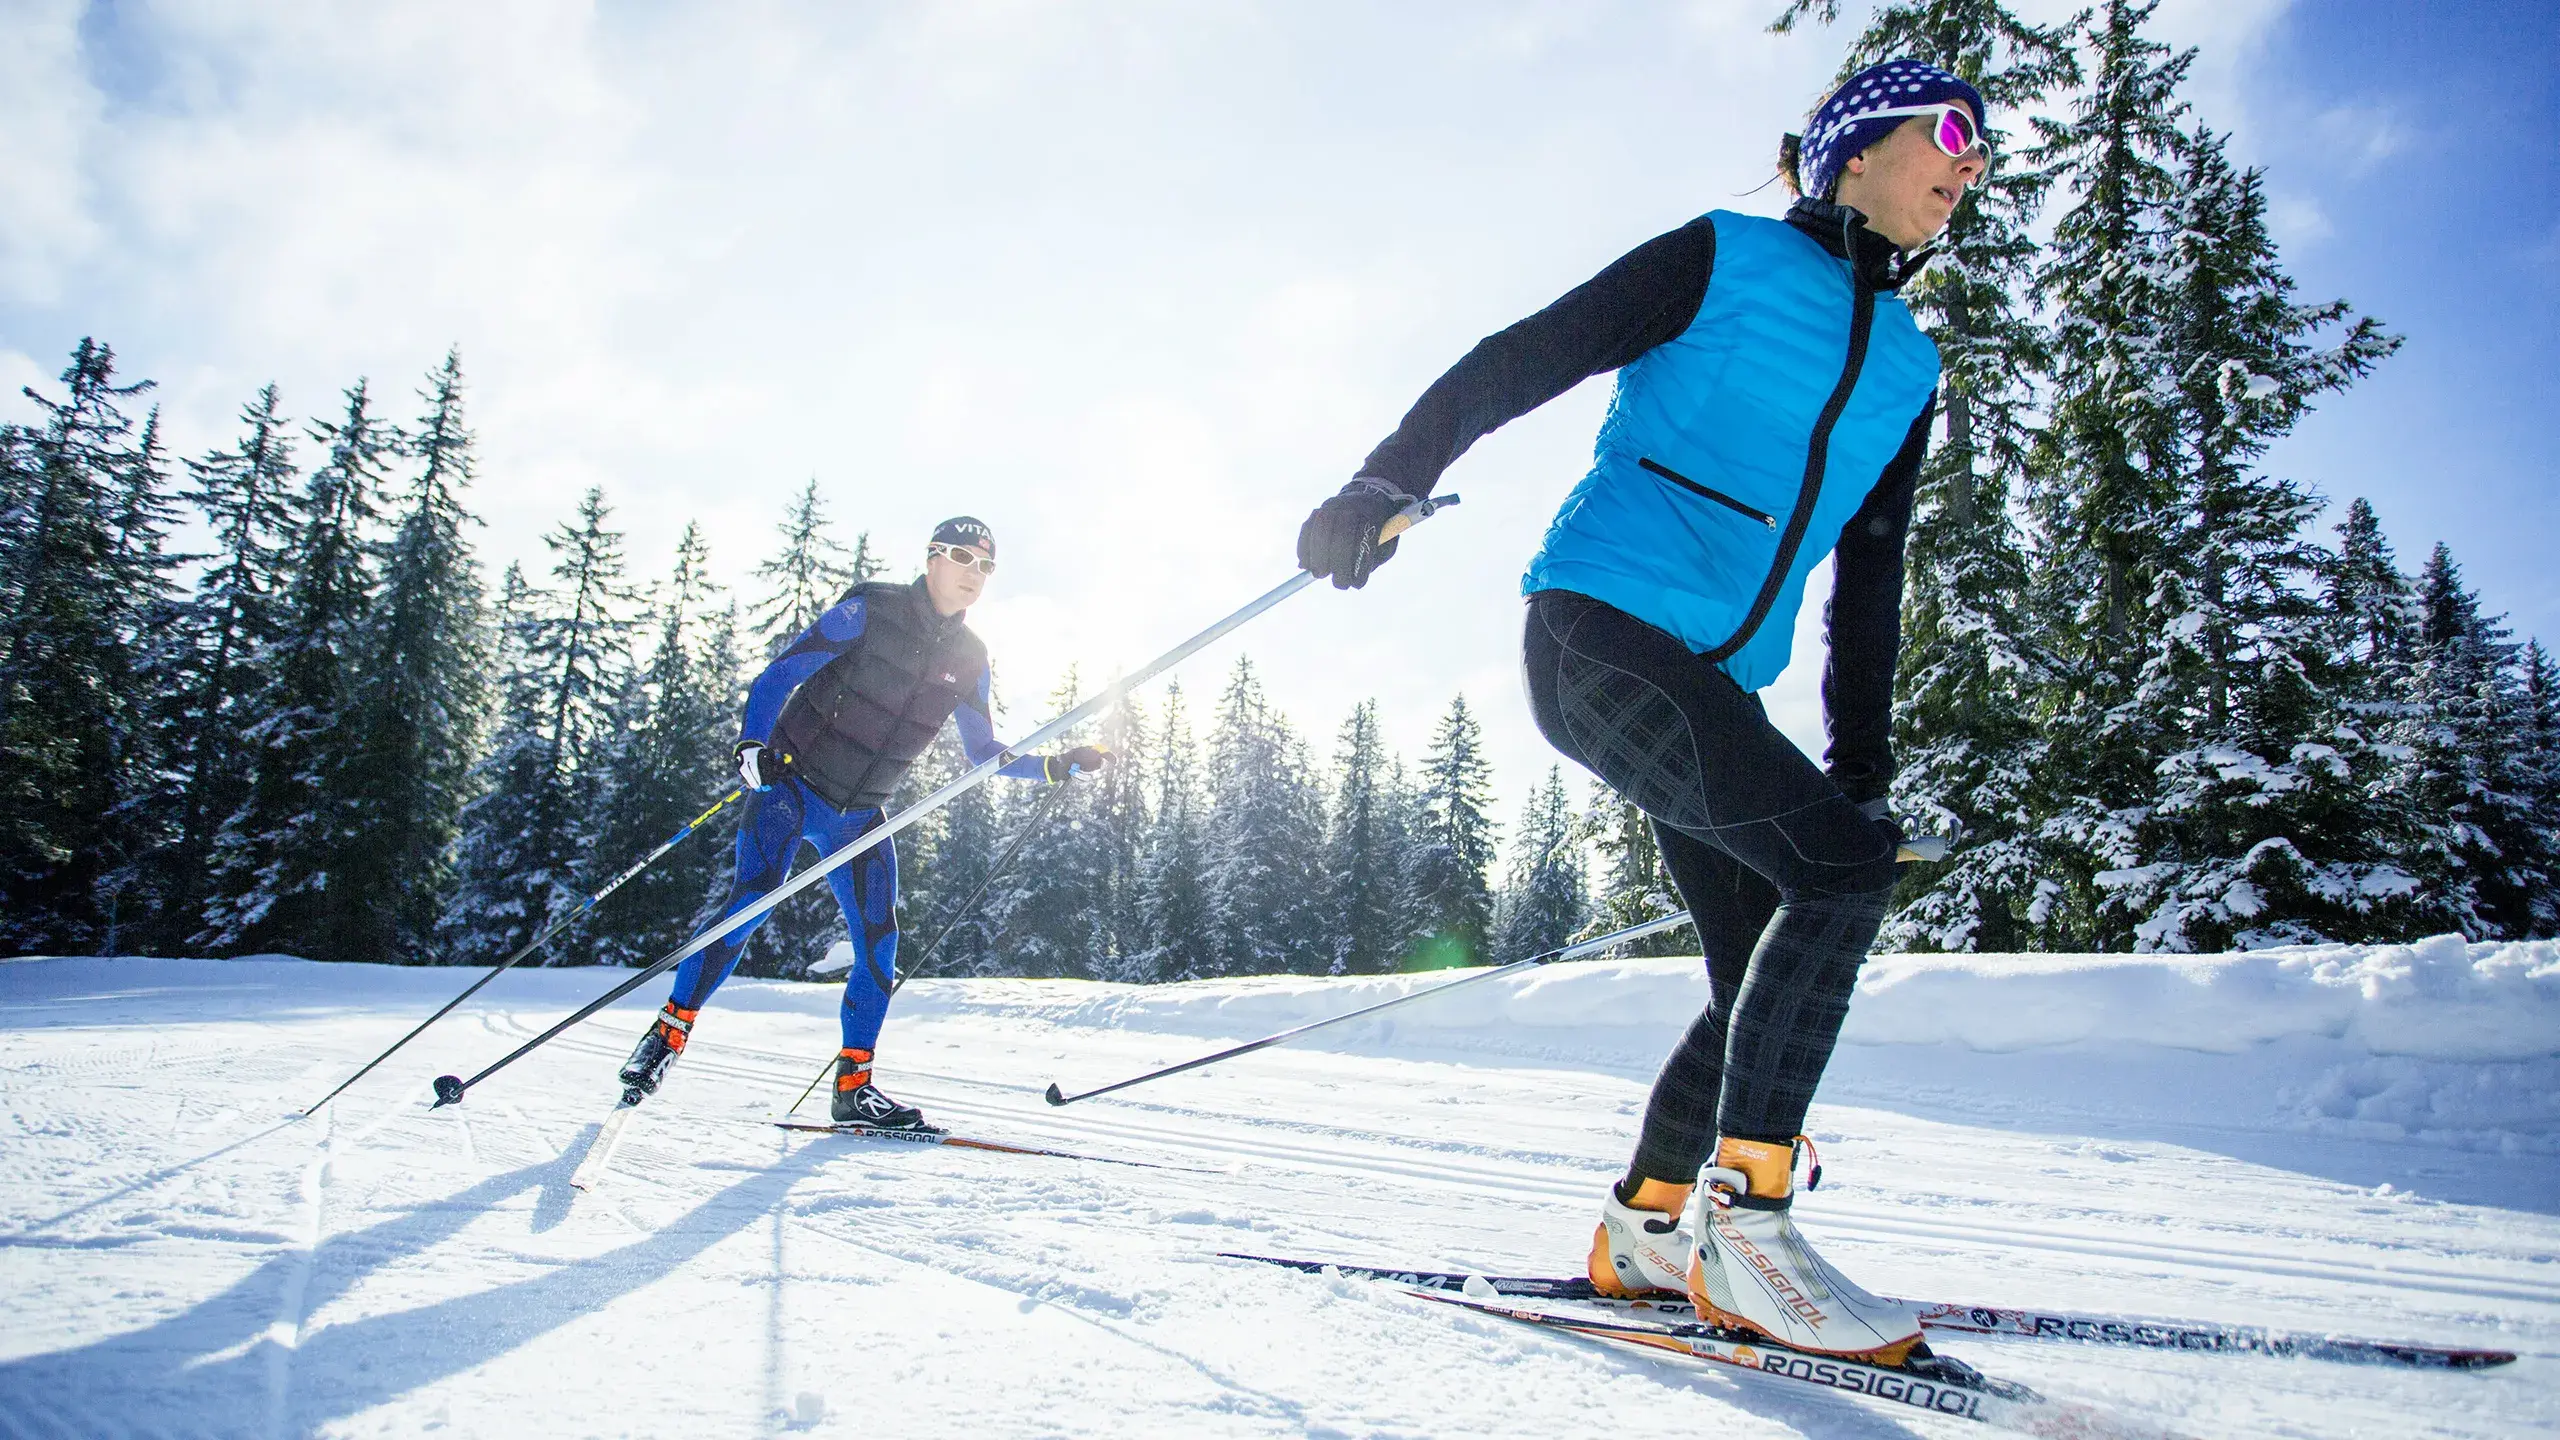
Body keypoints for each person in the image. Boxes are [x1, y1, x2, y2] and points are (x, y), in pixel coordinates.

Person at [1297, 59, 1989, 1365]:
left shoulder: (1906, 365)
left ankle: (1653, 1227)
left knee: (1765, 971)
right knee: (1838, 881)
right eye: (1948, 131)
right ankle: (1753, 1233)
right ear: (1855, 145)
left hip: (1713, 682)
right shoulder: (1723, 260)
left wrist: (1865, 771)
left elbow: (1870, 584)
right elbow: (1529, 355)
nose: (1971, 163)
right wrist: (1388, 474)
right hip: (1601, 634)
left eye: (1984, 152)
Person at [618, 516, 1110, 1128]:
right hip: (792, 787)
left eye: (986, 565)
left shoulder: (971, 656)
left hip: (862, 816)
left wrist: (1054, 768)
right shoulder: (869, 611)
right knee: (749, 907)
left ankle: (853, 1087)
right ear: (932, 557)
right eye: (962, 557)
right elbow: (779, 675)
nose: (974, 573)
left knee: (879, 940)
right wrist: (751, 745)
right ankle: (666, 1037)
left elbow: (984, 754)